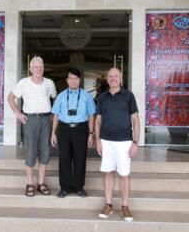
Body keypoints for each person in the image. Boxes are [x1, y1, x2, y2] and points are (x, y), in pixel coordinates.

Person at [95, 67, 140, 222]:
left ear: (121, 78)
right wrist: (97, 140)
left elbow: (135, 119)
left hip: (124, 141)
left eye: (116, 76)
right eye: (110, 76)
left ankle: (125, 207)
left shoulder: (128, 96)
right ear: (107, 79)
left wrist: (135, 142)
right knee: (108, 172)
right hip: (106, 141)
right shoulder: (102, 97)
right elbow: (98, 120)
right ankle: (108, 204)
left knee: (124, 174)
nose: (113, 78)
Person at [8, 56, 57, 197]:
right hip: (30, 120)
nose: (38, 69)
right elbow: (10, 98)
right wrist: (18, 113)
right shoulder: (24, 82)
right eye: (35, 67)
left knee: (44, 151)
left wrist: (52, 113)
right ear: (30, 69)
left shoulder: (49, 83)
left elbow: (54, 97)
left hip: (46, 119)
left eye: (40, 66)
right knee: (30, 151)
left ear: (43, 68)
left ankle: (41, 183)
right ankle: (30, 183)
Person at [51, 67, 96, 198]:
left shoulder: (87, 96)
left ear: (79, 80)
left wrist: (91, 133)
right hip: (64, 130)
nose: (73, 81)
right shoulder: (61, 96)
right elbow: (55, 115)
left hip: (81, 129)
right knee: (64, 158)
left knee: (80, 158)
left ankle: (79, 187)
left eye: (76, 78)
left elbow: (91, 115)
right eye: (71, 78)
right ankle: (64, 187)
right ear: (67, 80)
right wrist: (53, 132)